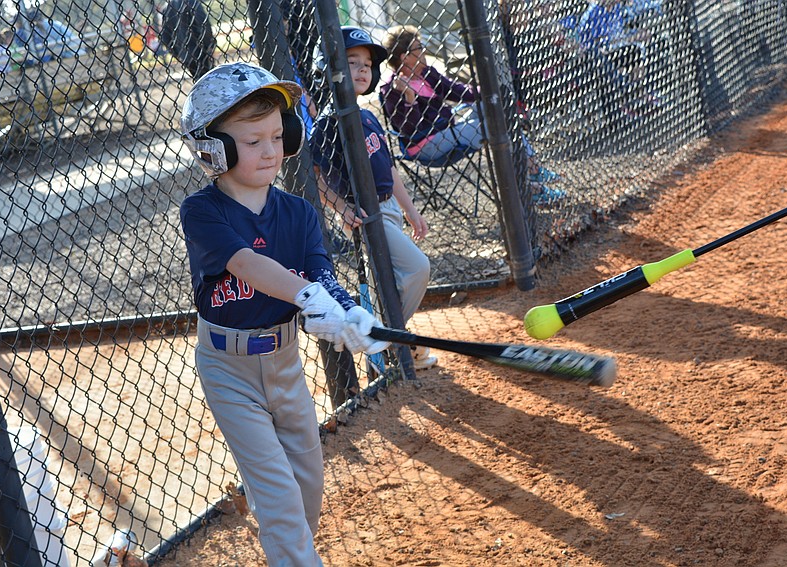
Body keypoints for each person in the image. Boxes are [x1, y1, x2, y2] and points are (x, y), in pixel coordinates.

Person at [178, 62, 389, 565]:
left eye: (278, 135)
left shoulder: (298, 212)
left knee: (306, 489)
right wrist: (306, 297)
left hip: (286, 362)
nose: (271, 149)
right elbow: (246, 264)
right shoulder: (202, 211)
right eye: (252, 141)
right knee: (277, 495)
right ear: (215, 149)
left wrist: (345, 312)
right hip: (229, 371)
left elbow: (322, 274)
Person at [310, 26, 438, 371]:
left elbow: (390, 169)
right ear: (330, 67)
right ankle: (389, 339)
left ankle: (385, 343)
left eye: (367, 63)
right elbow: (317, 178)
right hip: (367, 214)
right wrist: (342, 207)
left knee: (391, 282)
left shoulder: (366, 116)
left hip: (390, 208)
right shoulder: (327, 123)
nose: (363, 69)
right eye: (352, 62)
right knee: (416, 269)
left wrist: (411, 211)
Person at [379, 25, 564, 204]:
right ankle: (534, 181)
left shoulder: (426, 74)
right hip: (425, 144)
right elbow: (411, 128)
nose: (424, 50)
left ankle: (532, 173)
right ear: (405, 57)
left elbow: (456, 90)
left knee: (488, 106)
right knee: (493, 126)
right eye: (419, 48)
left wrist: (489, 91)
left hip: (447, 131)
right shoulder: (392, 89)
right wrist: (409, 97)